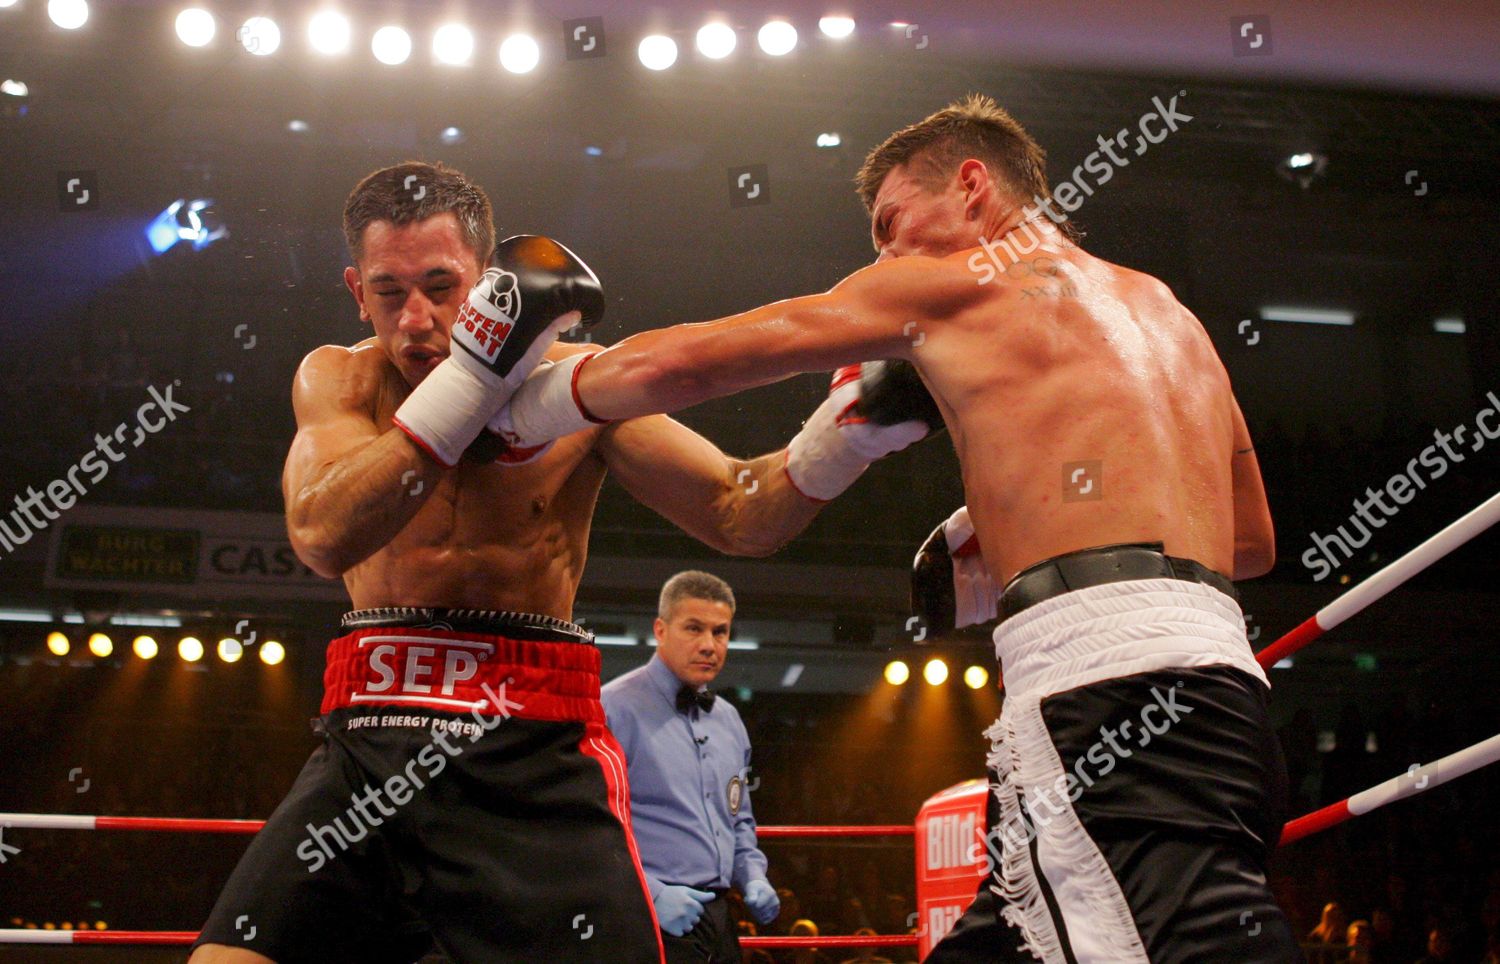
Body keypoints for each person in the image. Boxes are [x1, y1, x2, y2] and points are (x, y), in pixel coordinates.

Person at [492, 93, 1295, 961]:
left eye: (891, 222)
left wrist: (522, 408)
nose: (882, 253)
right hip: (1228, 689)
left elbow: (692, 363)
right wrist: (1014, 517)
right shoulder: (1167, 309)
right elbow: (1251, 541)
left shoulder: (951, 286)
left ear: (973, 185)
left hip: (1108, 692)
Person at [189, 161, 933, 964]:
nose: (415, 319)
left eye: (442, 287)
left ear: (490, 284)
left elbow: (735, 509)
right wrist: (470, 382)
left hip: (532, 752)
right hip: (369, 742)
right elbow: (322, 532)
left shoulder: (577, 387)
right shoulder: (339, 378)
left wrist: (847, 434)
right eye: (388, 291)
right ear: (353, 291)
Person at [602, 571, 780, 963]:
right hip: (646, 914)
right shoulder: (613, 708)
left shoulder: (729, 721)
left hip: (719, 917)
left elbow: (739, 819)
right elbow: (590, 824)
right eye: (693, 629)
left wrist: (752, 874)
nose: (708, 645)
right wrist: (651, 894)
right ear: (660, 630)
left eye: (720, 632)